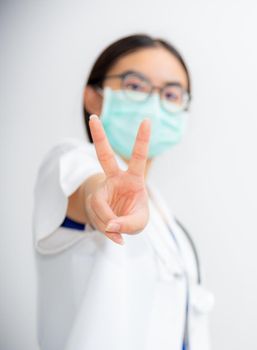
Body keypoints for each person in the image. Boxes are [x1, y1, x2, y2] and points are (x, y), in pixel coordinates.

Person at [32, 34, 214, 350]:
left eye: (172, 94)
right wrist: (99, 194)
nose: (155, 104)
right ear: (93, 96)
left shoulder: (164, 218)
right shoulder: (71, 160)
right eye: (135, 86)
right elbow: (87, 191)